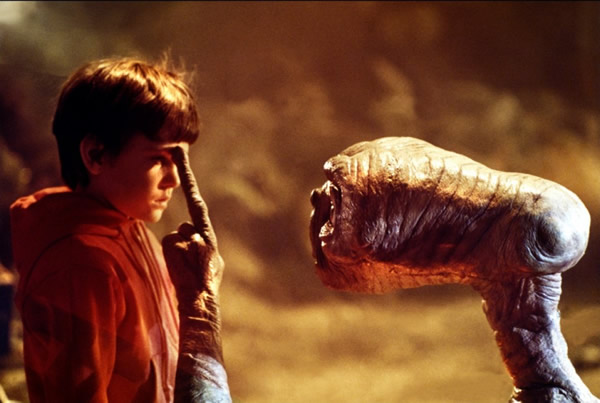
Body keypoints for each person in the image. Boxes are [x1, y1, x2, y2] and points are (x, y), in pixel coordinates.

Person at [10, 57, 231, 402]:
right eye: (159, 159)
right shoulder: (79, 265)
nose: (175, 179)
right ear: (96, 155)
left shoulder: (133, 229)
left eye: (180, 160)